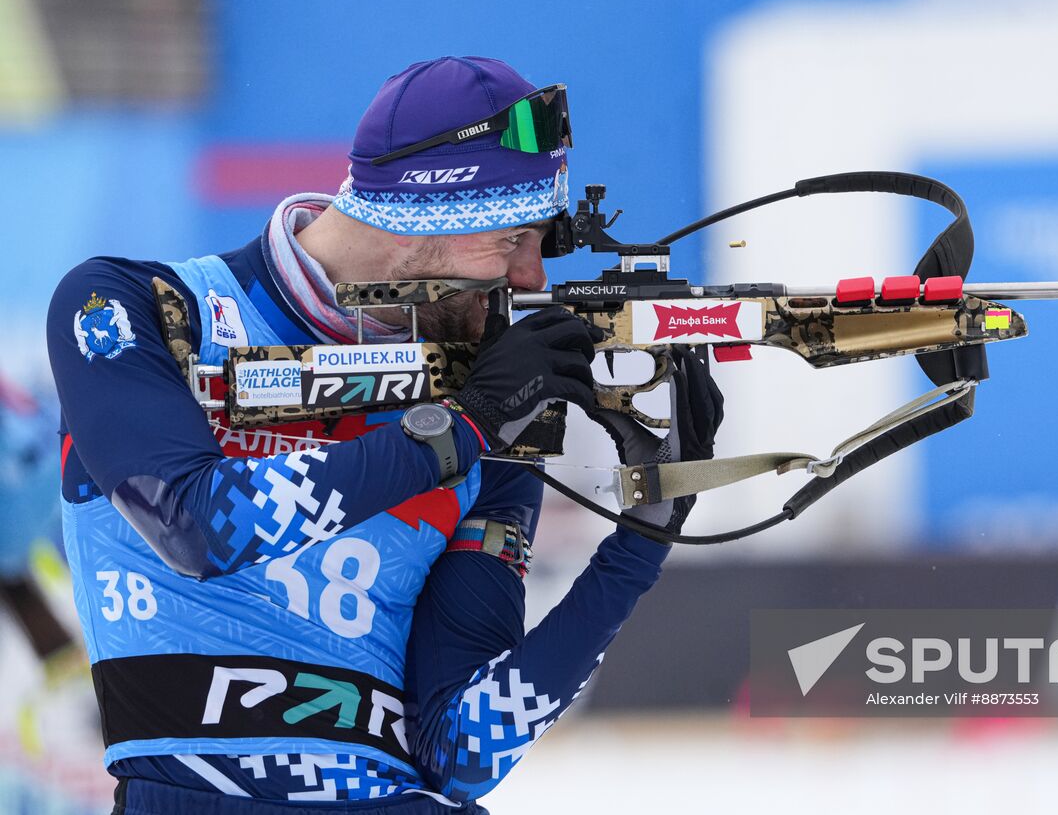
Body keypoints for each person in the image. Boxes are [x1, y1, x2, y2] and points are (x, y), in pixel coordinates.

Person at [46, 56, 722, 814]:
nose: (532, 279)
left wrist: (642, 536)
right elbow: (196, 523)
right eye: (513, 240)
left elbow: (460, 750)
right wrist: (458, 429)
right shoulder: (140, 308)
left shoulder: (495, 414)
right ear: (414, 225)